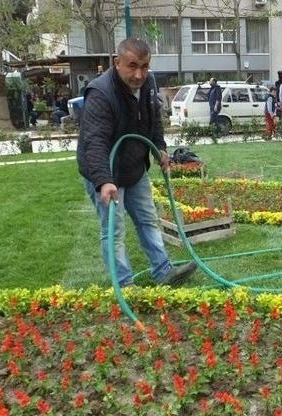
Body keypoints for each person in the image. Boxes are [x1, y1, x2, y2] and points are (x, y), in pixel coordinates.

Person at [77, 38, 198, 288]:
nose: (139, 74)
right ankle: (123, 284)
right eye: (132, 66)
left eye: (144, 66)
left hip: (134, 168)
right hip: (105, 171)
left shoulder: (148, 83)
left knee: (147, 219)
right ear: (117, 63)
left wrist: (160, 148)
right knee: (114, 229)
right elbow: (95, 142)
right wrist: (104, 180)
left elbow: (153, 119)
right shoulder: (100, 93)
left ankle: (164, 271)